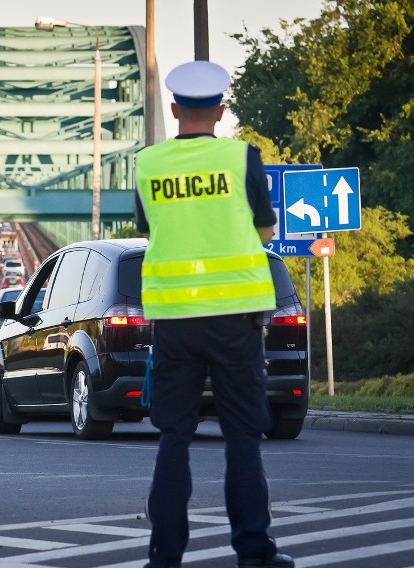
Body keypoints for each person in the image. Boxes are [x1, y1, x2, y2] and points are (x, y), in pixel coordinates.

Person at [134, 61, 294, 568]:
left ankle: (164, 557)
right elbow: (266, 232)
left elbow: (148, 228)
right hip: (235, 319)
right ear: (221, 111)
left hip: (174, 322)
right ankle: (253, 552)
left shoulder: (148, 163)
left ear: (175, 109)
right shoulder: (242, 157)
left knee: (173, 438)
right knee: (242, 438)